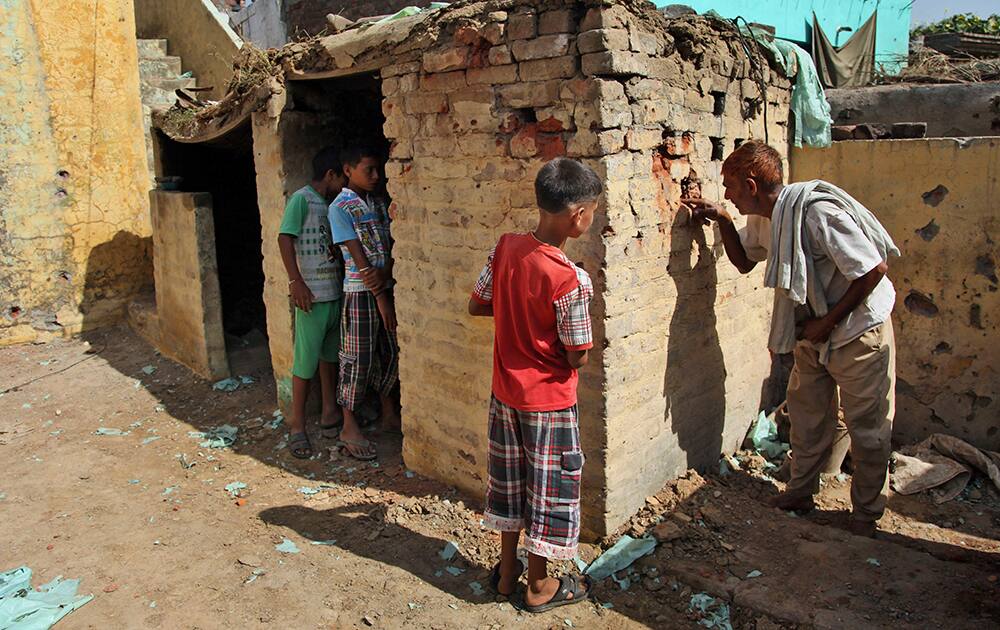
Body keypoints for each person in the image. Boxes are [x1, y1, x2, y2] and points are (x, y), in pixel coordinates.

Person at [684, 140, 898, 538]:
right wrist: (724, 220)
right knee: (806, 416)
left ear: (751, 184)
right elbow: (746, 263)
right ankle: (800, 492)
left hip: (856, 330)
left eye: (730, 186)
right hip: (814, 330)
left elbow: (872, 270)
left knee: (867, 428)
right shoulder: (768, 218)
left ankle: (867, 514)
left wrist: (827, 324)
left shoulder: (816, 213)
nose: (727, 193)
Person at [468, 157, 600, 611]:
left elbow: (478, 303)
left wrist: (516, 319)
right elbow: (577, 352)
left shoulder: (505, 247)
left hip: (505, 392)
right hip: (548, 400)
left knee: (508, 480)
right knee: (548, 487)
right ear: (579, 215)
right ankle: (540, 586)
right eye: (593, 212)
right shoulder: (569, 278)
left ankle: (507, 573)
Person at [328, 145, 399, 461]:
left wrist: (386, 277)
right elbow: (360, 263)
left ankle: (388, 413)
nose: (375, 175)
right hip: (360, 293)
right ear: (347, 170)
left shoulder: (379, 203)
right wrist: (381, 295)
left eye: (377, 169)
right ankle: (348, 424)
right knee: (356, 357)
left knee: (387, 349)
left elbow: (390, 248)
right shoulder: (341, 207)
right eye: (367, 169)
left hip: (384, 283)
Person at [277, 146, 347, 459]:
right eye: (341, 177)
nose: (343, 184)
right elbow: (284, 237)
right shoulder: (301, 199)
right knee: (304, 363)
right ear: (330, 175)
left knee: (329, 357)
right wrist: (296, 282)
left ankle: (330, 412)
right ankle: (296, 427)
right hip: (311, 296)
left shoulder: (328, 205)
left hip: (331, 292)